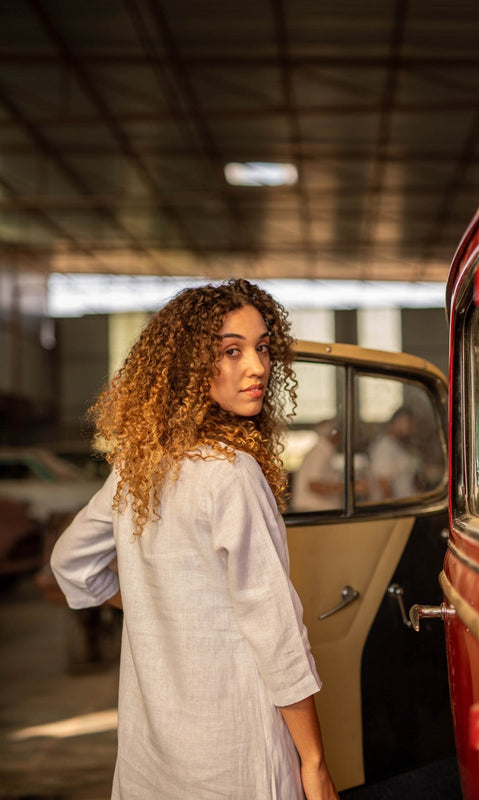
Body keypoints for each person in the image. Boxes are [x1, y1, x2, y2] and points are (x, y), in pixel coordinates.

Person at [51, 279, 338, 800]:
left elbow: (71, 563)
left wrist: (151, 605)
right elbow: (277, 635)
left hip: (151, 759)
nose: (256, 366)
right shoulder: (232, 474)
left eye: (263, 347)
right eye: (231, 351)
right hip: (234, 756)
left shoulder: (138, 469)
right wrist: (314, 763)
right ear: (187, 366)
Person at [368, 406, 421, 500]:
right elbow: (384, 485)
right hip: (399, 508)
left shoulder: (398, 446)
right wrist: (396, 511)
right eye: (407, 422)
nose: (410, 427)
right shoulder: (384, 448)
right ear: (394, 423)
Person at [291, 419, 343, 512]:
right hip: (313, 510)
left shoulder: (325, 452)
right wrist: (347, 488)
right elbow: (314, 486)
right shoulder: (318, 453)